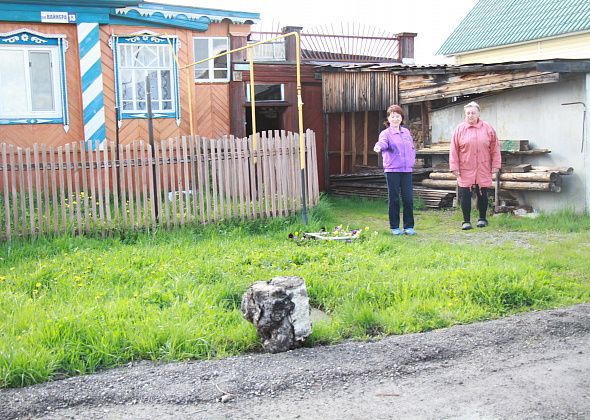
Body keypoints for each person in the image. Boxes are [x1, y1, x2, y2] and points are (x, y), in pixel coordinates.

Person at [449, 101, 501, 230]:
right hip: (465, 166)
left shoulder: (488, 128)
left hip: (483, 166)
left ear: (478, 114)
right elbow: (453, 149)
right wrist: (454, 167)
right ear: (465, 114)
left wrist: (496, 165)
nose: (470, 115)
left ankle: (482, 218)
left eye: (473, 113)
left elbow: (495, 148)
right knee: (465, 194)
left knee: (483, 192)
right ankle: (466, 221)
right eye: (468, 113)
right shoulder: (460, 129)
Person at [373, 104, 416, 235]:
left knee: (408, 199)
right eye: (393, 116)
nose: (395, 119)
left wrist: (412, 158)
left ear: (401, 118)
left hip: (406, 170)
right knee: (394, 199)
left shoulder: (406, 132)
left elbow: (411, 147)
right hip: (392, 170)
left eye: (398, 116)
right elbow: (383, 143)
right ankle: (395, 227)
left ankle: (409, 227)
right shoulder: (385, 133)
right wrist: (378, 146)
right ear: (388, 118)